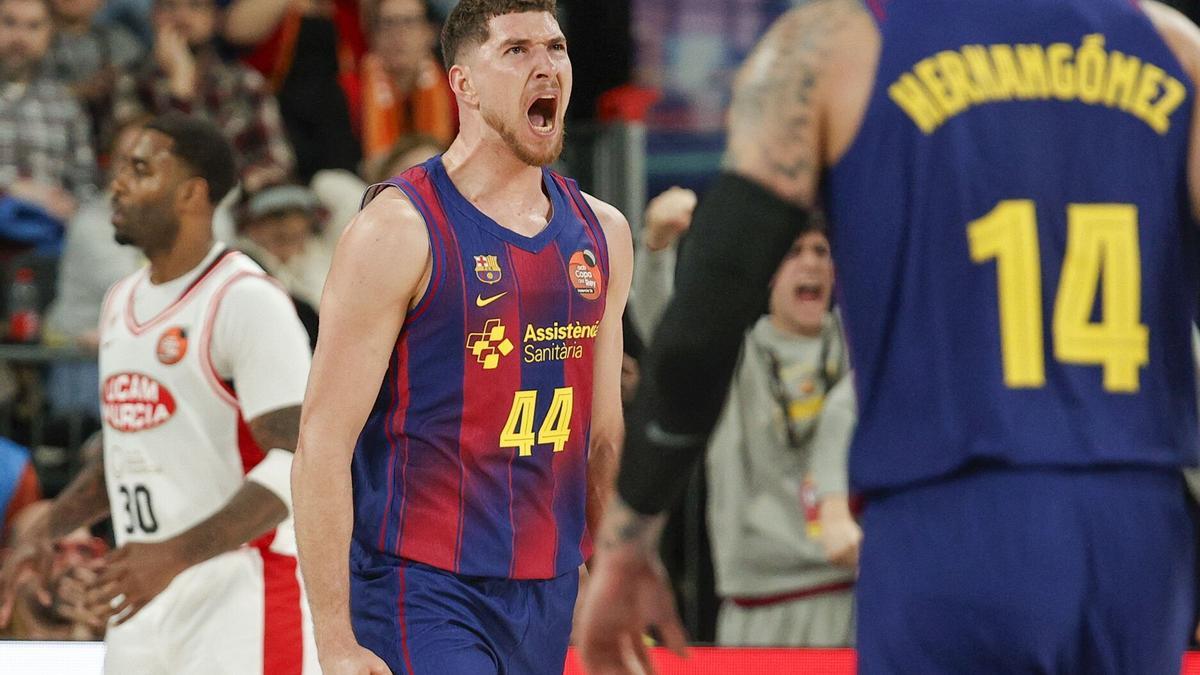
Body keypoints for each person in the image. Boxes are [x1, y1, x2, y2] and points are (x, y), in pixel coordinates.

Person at [578, 1, 1200, 673]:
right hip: (1136, 531)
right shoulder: (1174, 48)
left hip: (945, 520)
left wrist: (628, 540)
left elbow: (708, 316)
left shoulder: (831, 48)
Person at [291, 1, 632, 673]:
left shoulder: (603, 232)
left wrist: (614, 576)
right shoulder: (398, 229)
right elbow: (322, 442)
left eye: (556, 48)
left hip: (547, 589)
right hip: (420, 587)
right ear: (464, 84)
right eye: (517, 50)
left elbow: (603, 437)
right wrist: (333, 638)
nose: (546, 67)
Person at [0, 112, 318, 673]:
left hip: (241, 592)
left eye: (141, 169)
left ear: (192, 194)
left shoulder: (246, 299)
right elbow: (125, 453)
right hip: (141, 590)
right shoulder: (120, 301)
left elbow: (300, 461)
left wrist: (171, 556)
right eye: (119, 168)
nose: (117, 185)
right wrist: (46, 531)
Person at [111, 0, 295, 192]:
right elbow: (145, 165)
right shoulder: (133, 81)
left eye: (196, 5)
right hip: (159, 200)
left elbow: (277, 159)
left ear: (215, 17)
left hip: (240, 198)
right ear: (152, 15)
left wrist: (241, 186)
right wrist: (180, 87)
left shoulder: (244, 83)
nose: (181, 18)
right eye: (169, 6)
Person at [0, 0, 96, 223]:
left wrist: (71, 205)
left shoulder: (66, 104)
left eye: (33, 26)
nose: (20, 37)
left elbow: (86, 184)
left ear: (50, 33)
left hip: (50, 231)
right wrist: (10, 188)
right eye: (9, 22)